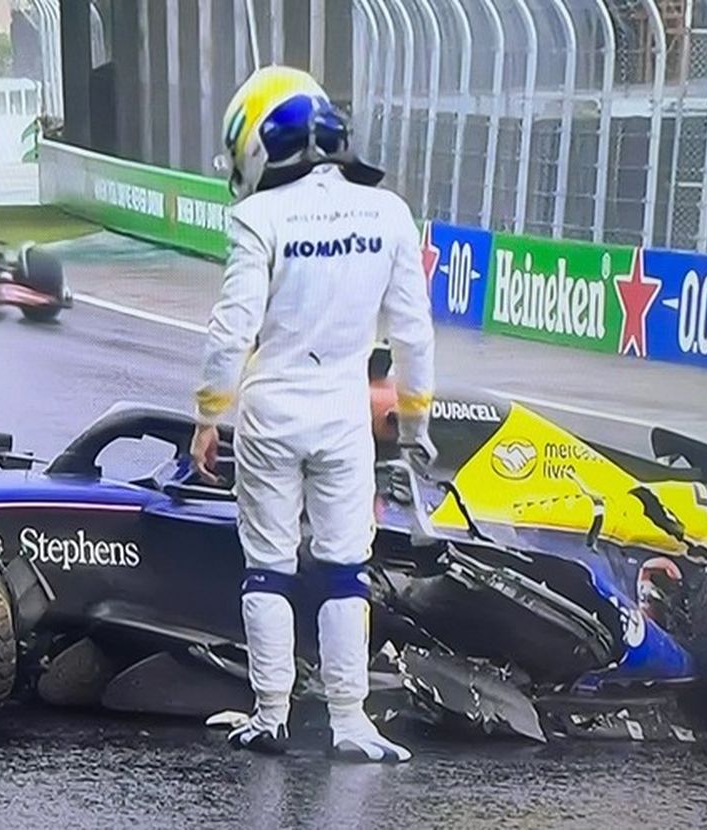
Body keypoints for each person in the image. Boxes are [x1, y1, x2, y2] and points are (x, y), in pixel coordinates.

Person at [190, 66, 435, 763]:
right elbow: (413, 332)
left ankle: (271, 715)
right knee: (344, 568)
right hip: (342, 413)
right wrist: (414, 423)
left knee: (267, 567)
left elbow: (231, 328)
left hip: (271, 412)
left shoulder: (256, 217)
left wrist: (209, 415)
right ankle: (351, 722)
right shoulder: (388, 212)